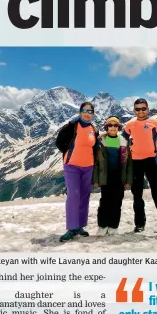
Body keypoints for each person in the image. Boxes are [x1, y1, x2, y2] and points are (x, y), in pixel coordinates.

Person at [123, 98, 157, 239]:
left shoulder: (155, 123)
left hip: (151, 162)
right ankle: (139, 224)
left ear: (148, 109)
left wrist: (156, 160)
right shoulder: (129, 125)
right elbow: (122, 142)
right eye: (138, 109)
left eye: (143, 108)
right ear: (134, 110)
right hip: (135, 163)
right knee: (137, 195)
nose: (141, 111)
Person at [55, 101, 99, 242]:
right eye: (85, 111)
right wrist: (68, 153)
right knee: (73, 195)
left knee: (84, 196)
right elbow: (59, 142)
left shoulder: (93, 128)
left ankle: (80, 225)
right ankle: (72, 228)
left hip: (88, 167)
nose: (87, 114)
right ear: (80, 112)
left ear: (93, 114)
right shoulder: (72, 126)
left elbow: (94, 146)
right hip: (72, 166)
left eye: (90, 111)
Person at [93, 116, 133, 236]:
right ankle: (102, 226)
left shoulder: (124, 142)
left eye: (115, 125)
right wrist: (95, 179)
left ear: (119, 127)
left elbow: (129, 163)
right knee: (105, 201)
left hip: (119, 176)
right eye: (110, 125)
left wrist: (128, 180)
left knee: (117, 202)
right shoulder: (100, 142)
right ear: (106, 127)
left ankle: (113, 226)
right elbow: (96, 162)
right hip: (105, 176)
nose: (113, 127)